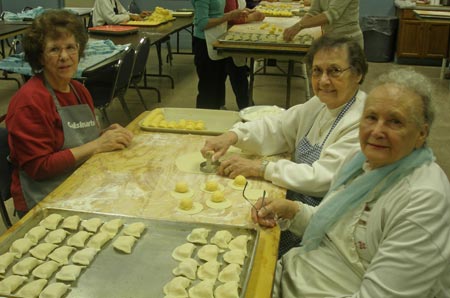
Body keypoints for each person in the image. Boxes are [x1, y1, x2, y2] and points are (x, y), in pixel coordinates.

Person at [252, 69, 450, 297]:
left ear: (421, 134)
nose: (377, 131)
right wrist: (292, 211)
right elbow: (333, 226)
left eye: (394, 122)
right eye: (371, 117)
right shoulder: (359, 162)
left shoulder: (422, 202)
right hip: (296, 274)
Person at [201, 35, 368, 256]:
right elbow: (279, 127)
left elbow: (323, 178)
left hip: (322, 226)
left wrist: (261, 168)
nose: (323, 80)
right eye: (317, 71)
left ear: (358, 74)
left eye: (334, 71)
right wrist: (233, 136)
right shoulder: (320, 104)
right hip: (293, 204)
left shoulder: (363, 120)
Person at [5, 9, 133, 217]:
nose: (64, 57)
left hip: (79, 183)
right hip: (43, 201)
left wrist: (106, 136)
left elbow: (82, 142)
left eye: (70, 48)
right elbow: (39, 167)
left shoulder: (78, 90)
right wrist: (97, 145)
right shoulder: (30, 102)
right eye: (54, 49)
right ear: (40, 56)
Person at [192, 0, 250, 109]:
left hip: (215, 39)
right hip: (204, 42)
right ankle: (204, 119)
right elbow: (202, 23)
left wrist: (233, 14)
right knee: (208, 88)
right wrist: (228, 17)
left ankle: (215, 116)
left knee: (216, 86)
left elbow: (216, 14)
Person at [224, 0, 265, 110]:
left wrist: (246, 11)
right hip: (226, 38)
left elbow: (235, 11)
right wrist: (251, 17)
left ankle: (246, 106)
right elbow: (232, 17)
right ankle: (247, 107)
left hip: (232, 34)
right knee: (237, 74)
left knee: (238, 74)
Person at [283, 0, 363, 49]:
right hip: (330, 38)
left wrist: (300, 25)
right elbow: (313, 11)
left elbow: (331, 14)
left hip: (348, 40)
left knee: (347, 73)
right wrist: (296, 27)